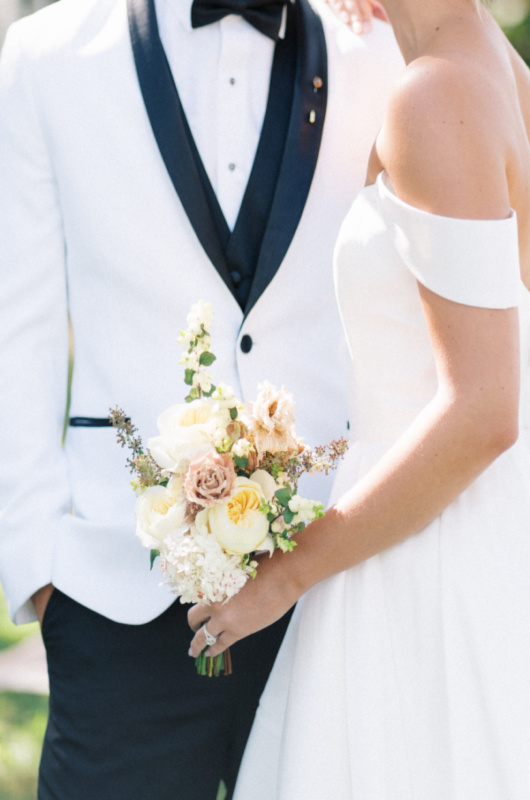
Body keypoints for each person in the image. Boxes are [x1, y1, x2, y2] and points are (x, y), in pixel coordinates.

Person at [0, 0, 402, 797]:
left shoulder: (380, 51)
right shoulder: (43, 58)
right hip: (116, 594)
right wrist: (39, 572)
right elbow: (19, 330)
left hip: (330, 589)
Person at [188, 0, 530, 797]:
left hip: (416, 568)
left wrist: (281, 577)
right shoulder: (503, 75)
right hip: (477, 537)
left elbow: (483, 408)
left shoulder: (433, 95)